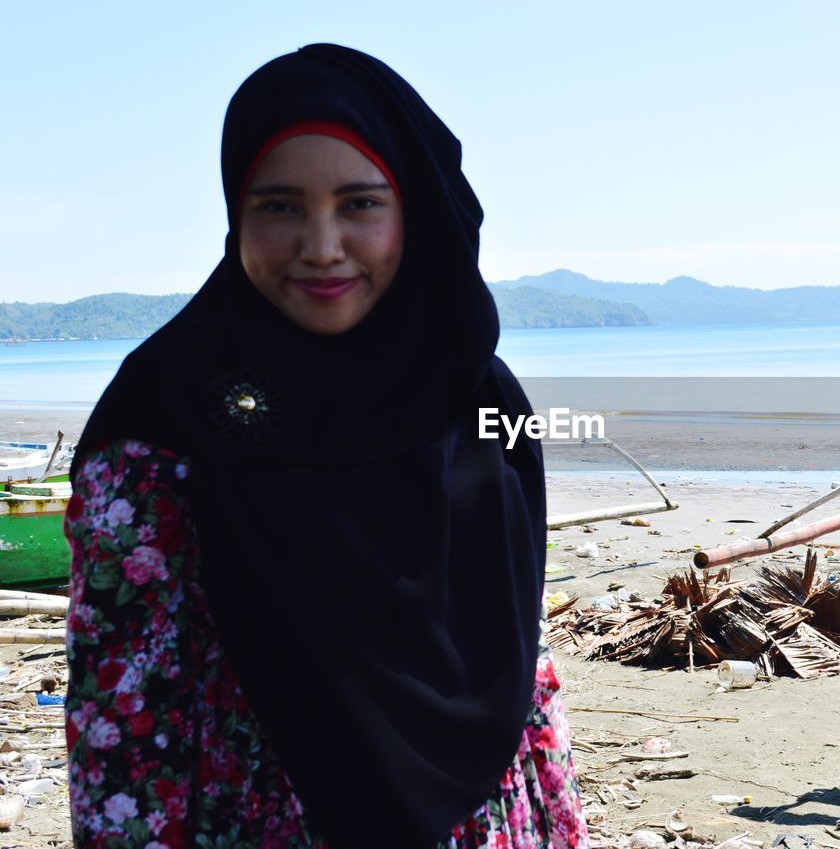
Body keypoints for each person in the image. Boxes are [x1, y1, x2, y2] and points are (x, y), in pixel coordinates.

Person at [64, 44, 588, 848]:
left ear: (413, 206)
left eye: (359, 203)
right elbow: (122, 704)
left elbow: (523, 657)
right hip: (258, 818)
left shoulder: (480, 395)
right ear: (235, 213)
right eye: (278, 206)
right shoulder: (163, 414)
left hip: (483, 817)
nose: (321, 244)